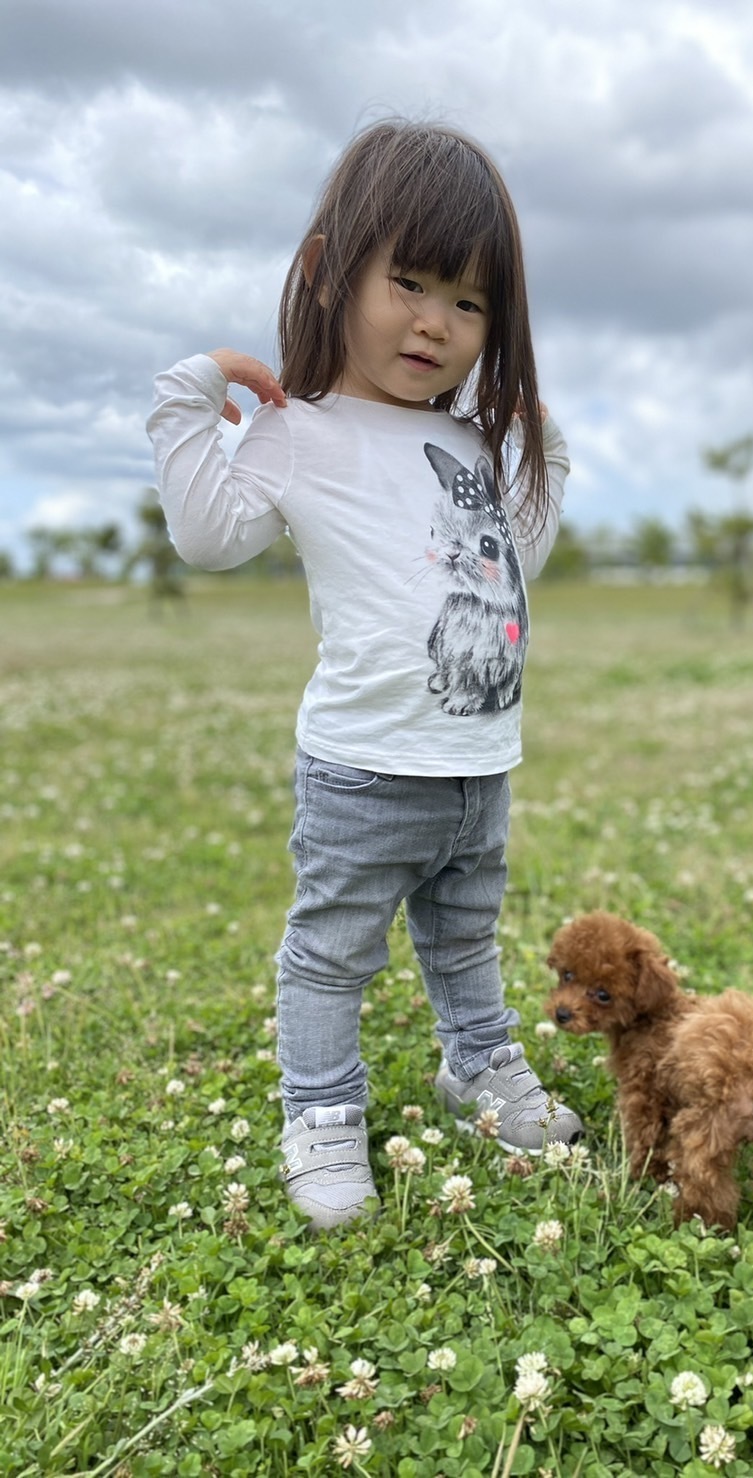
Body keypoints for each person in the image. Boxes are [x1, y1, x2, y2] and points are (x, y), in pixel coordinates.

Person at [147, 120, 583, 1231]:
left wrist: (548, 461)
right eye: (410, 283)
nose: (437, 321)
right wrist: (188, 402)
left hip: (477, 762)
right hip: (363, 767)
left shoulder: (474, 443)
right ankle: (324, 1110)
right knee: (333, 953)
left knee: (464, 936)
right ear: (326, 271)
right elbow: (209, 535)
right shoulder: (304, 433)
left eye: (471, 302)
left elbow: (512, 570)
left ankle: (477, 1066)